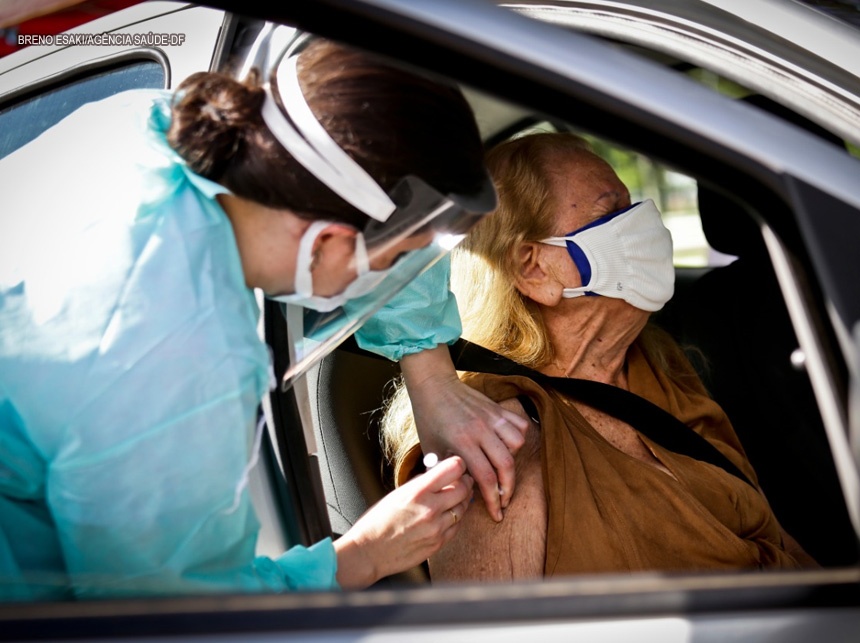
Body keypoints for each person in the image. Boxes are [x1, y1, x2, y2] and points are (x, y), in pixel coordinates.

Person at [0, 36, 487, 601]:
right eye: (397, 259)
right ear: (331, 239)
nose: (395, 276)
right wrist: (361, 556)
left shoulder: (154, 125)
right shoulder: (180, 354)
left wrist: (431, 377)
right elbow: (173, 616)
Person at [381, 131, 817, 582]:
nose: (645, 223)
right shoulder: (500, 444)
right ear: (534, 269)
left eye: (631, 205)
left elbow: (772, 539)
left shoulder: (660, 365)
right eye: (612, 213)